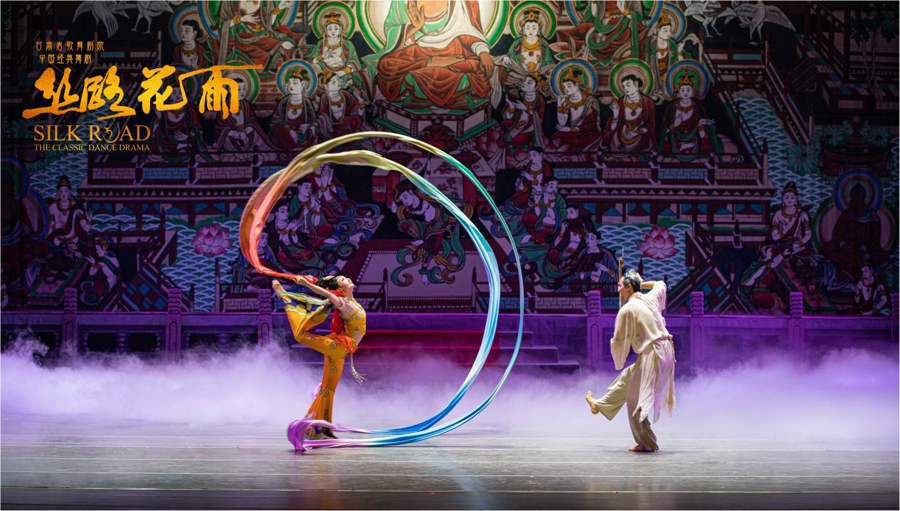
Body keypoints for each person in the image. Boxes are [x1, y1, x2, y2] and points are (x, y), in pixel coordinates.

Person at [586, 270, 676, 452]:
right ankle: (600, 405)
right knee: (628, 377)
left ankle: (647, 443)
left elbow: (618, 340)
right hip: (666, 350)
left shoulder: (627, 309)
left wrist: (617, 351)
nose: (618, 289)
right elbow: (660, 284)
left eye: (620, 286)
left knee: (635, 400)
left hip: (654, 353)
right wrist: (641, 284)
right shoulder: (650, 298)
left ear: (628, 287)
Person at [273, 274, 366, 440]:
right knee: (301, 336)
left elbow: (327, 289)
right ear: (340, 288)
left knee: (328, 389)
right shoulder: (342, 302)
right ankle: (283, 296)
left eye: (345, 277)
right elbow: (327, 293)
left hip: (341, 350)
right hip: (337, 347)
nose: (347, 279)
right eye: (343, 279)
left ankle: (320, 430)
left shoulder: (351, 301)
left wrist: (314, 281)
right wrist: (307, 284)